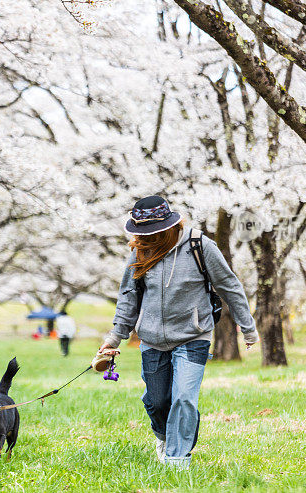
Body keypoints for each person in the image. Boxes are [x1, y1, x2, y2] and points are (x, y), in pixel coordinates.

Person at [98, 195, 259, 466]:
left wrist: (248, 327)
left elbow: (229, 285)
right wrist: (114, 337)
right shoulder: (139, 251)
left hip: (193, 335)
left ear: (168, 227)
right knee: (157, 401)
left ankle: (177, 459)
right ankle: (164, 435)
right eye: (142, 233)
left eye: (151, 233)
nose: (145, 238)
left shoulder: (199, 246)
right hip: (151, 338)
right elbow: (128, 296)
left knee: (184, 397)